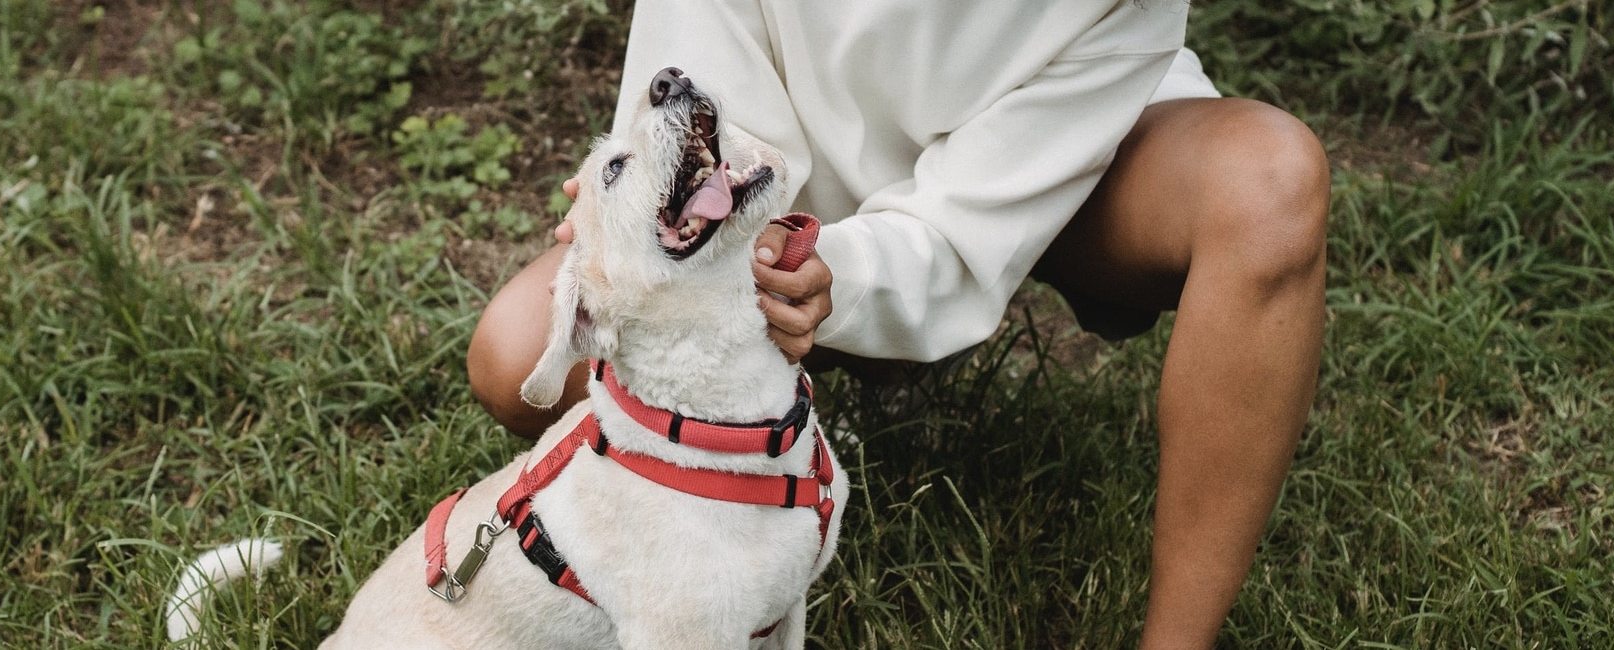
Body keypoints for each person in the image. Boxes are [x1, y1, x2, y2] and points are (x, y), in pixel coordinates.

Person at [466, 2, 1327, 647]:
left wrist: (863, 276)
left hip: (1049, 166)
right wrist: (706, 218)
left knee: (1268, 186)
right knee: (515, 354)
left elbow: (961, 228)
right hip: (776, 179)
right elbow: (701, 101)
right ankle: (786, 412)